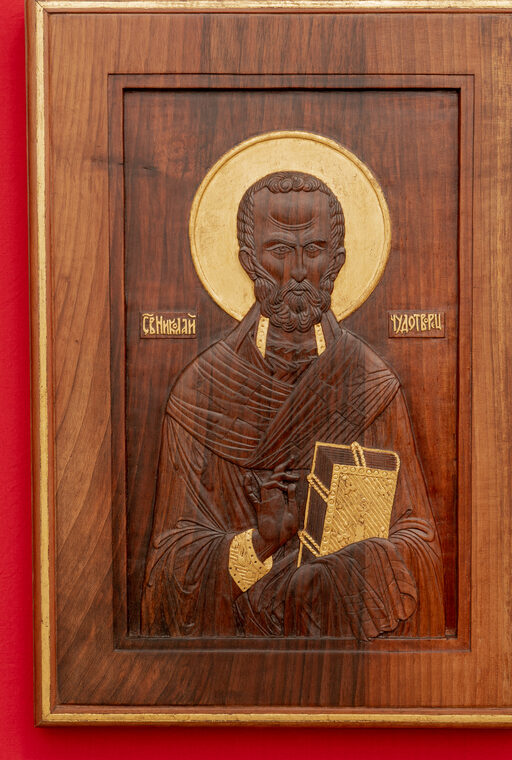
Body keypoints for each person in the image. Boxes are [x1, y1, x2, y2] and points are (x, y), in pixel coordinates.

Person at [141, 171, 445, 640]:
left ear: (338, 262)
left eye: (314, 250)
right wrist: (258, 544)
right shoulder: (200, 390)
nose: (299, 271)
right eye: (280, 250)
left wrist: (342, 570)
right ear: (248, 262)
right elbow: (167, 569)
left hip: (346, 662)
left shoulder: (371, 384)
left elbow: (420, 546)